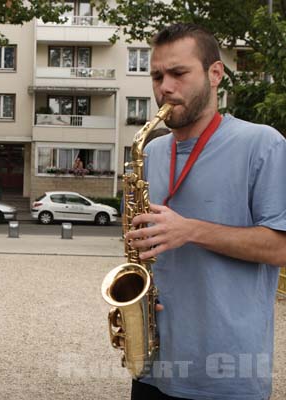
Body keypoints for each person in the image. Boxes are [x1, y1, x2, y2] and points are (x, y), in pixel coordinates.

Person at [124, 23, 286, 400]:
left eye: (179, 73)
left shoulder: (263, 144)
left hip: (227, 377)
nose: (165, 87)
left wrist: (191, 230)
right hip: (152, 369)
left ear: (215, 74)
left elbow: (280, 248)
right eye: (157, 76)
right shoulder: (149, 152)